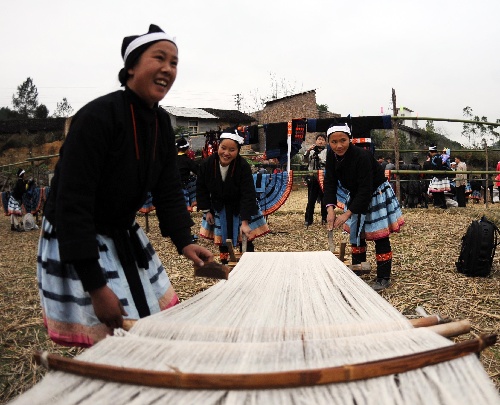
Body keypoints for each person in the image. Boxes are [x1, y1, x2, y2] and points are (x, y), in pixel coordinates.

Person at [37, 24, 213, 347]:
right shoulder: (97, 118)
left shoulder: (160, 123)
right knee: (113, 330)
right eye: (159, 58)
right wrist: (96, 286)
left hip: (121, 230)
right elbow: (72, 203)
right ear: (131, 67)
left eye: (174, 63)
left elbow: (168, 189)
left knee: (141, 324)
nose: (168, 69)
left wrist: (184, 241)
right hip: (79, 234)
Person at [323, 123, 404, 291]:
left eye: (343, 140)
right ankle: (358, 270)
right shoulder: (331, 155)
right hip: (356, 194)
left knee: (379, 235)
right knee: (357, 232)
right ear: (329, 142)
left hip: (375, 193)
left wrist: (346, 214)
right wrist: (330, 210)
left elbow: (365, 190)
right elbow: (329, 181)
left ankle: (383, 277)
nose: (339, 145)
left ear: (350, 139)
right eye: (334, 142)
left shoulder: (363, 156)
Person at [197, 128, 269, 264]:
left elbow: (248, 194)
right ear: (218, 146)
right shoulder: (207, 164)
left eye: (232, 150)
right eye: (223, 148)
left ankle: (248, 264)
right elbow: (201, 188)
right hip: (218, 205)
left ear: (238, 151)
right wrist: (207, 210)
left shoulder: (243, 166)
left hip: (241, 206)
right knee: (223, 238)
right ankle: (225, 264)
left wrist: (245, 222)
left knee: (245, 237)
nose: (226, 153)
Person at [303, 133, 328, 227]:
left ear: (325, 142)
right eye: (319, 139)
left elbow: (328, 163)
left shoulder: (327, 152)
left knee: (324, 199)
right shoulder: (312, 151)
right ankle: (308, 219)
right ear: (316, 141)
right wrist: (309, 151)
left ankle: (325, 218)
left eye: (322, 139)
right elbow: (305, 161)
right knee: (311, 199)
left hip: (323, 177)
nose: (320, 141)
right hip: (312, 178)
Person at [423, 145, 450, 209]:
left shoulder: (435, 157)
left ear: (430, 152)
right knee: (440, 191)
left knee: (435, 190)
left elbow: (438, 166)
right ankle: (443, 204)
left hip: (439, 176)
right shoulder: (440, 156)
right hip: (440, 176)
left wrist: (433, 170)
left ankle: (439, 204)